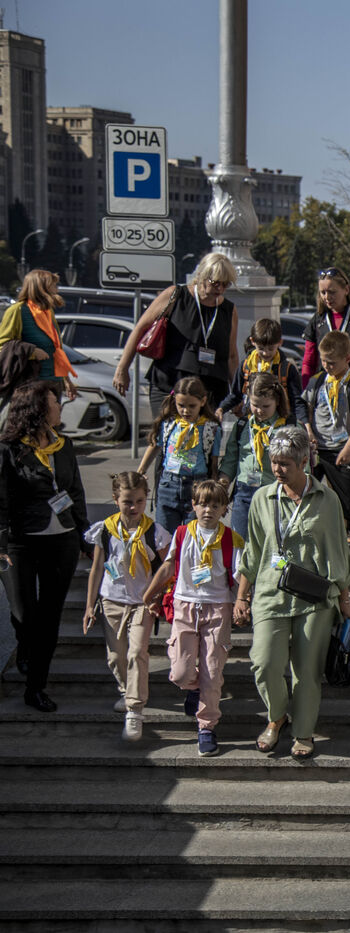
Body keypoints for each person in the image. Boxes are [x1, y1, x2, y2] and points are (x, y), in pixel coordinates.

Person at [235, 426, 350, 761]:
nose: (278, 469)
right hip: (270, 594)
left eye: (285, 464)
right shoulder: (262, 499)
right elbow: (253, 552)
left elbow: (338, 551)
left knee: (307, 672)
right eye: (274, 462)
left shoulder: (327, 499)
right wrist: (241, 596)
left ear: (304, 462)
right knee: (263, 663)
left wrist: (345, 599)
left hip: (315, 599)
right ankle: (277, 716)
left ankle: (303, 731)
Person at [0, 380, 89, 712]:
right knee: (24, 615)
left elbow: (75, 491)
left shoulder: (64, 445)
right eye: (54, 402)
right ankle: (25, 647)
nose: (59, 407)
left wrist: (84, 534)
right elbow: (1, 500)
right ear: (37, 409)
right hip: (18, 544)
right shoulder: (8, 450)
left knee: (49, 617)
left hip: (62, 540)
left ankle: (35, 687)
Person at [141, 480, 242, 757]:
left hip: (217, 608)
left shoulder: (231, 539)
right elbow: (168, 567)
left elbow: (239, 575)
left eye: (216, 505)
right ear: (194, 506)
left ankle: (206, 727)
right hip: (185, 605)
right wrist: (150, 593)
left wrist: (242, 602)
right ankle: (193, 688)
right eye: (203, 504)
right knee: (180, 672)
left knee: (212, 671)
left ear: (224, 509)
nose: (208, 510)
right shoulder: (182, 533)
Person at [81, 472, 171, 740]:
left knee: (137, 653)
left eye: (140, 501)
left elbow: (168, 567)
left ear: (147, 499)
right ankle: (126, 689)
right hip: (111, 600)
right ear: (115, 499)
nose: (134, 507)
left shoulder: (154, 532)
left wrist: (157, 596)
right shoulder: (105, 530)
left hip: (142, 602)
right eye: (128, 502)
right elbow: (97, 568)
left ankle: (134, 710)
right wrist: (89, 606)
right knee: (115, 657)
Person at [302, 267, 350, 528]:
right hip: (324, 402)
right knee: (327, 460)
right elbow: (308, 361)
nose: (327, 297)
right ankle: (339, 516)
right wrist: (306, 394)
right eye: (323, 292)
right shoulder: (317, 320)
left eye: (332, 292)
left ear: (346, 289)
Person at [113, 253, 239, 417]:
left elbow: (231, 356)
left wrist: (237, 395)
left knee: (204, 434)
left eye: (225, 284)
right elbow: (141, 329)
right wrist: (122, 369)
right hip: (169, 384)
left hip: (210, 391)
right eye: (215, 283)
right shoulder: (176, 295)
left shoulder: (228, 310)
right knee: (168, 432)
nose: (220, 289)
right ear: (202, 276)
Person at [303, 331, 350, 573]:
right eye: (324, 361)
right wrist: (308, 430)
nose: (327, 366)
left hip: (343, 450)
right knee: (305, 496)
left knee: (349, 501)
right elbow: (304, 406)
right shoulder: (318, 381)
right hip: (318, 449)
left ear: (348, 358)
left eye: (332, 362)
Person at [137, 376, 222, 533]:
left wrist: (215, 488)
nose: (185, 411)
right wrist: (141, 471)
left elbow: (213, 461)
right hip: (169, 484)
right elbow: (155, 445)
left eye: (192, 406)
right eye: (181, 405)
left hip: (197, 487)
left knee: (192, 535)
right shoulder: (169, 423)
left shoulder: (211, 428)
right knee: (164, 535)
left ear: (203, 401)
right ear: (174, 401)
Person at [220, 372, 292, 539]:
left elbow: (301, 467)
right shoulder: (242, 426)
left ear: (277, 401)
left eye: (266, 406)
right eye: (255, 405)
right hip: (244, 493)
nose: (259, 411)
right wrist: (223, 484)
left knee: (272, 543)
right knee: (240, 542)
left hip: (275, 493)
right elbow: (231, 459)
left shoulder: (288, 427)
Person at [0, 270, 78, 401]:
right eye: (53, 285)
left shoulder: (47, 311)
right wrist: (31, 351)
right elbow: (3, 346)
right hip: (30, 386)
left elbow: (56, 349)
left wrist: (66, 380)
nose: (56, 290)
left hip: (54, 383)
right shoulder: (17, 310)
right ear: (41, 288)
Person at [217, 317, 307, 423]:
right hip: (252, 421)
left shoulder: (286, 369)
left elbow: (296, 401)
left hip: (280, 422)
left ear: (280, 342)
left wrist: (305, 423)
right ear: (252, 341)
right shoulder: (246, 366)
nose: (266, 353)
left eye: (271, 348)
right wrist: (221, 408)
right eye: (261, 348)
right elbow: (236, 395)